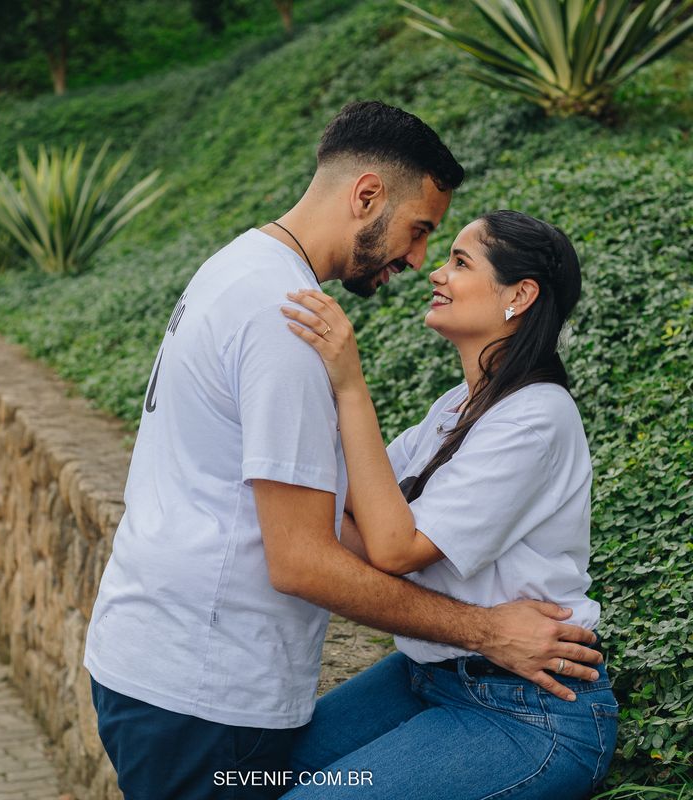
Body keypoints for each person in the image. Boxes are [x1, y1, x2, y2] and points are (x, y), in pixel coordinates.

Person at [83, 102, 603, 800]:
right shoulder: (287, 317)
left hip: (181, 660)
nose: (420, 263)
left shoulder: (244, 271)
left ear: (521, 297)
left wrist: (349, 388)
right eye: (424, 234)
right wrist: (485, 630)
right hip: (204, 676)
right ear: (366, 196)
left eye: (449, 254)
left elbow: (370, 525)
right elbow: (323, 550)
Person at [279, 209, 618, 799]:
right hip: (429, 674)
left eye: (460, 262)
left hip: (528, 712)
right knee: (250, 775)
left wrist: (349, 384)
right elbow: (358, 506)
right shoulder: (456, 406)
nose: (436, 272)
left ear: (521, 294)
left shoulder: (537, 416)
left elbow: (393, 546)